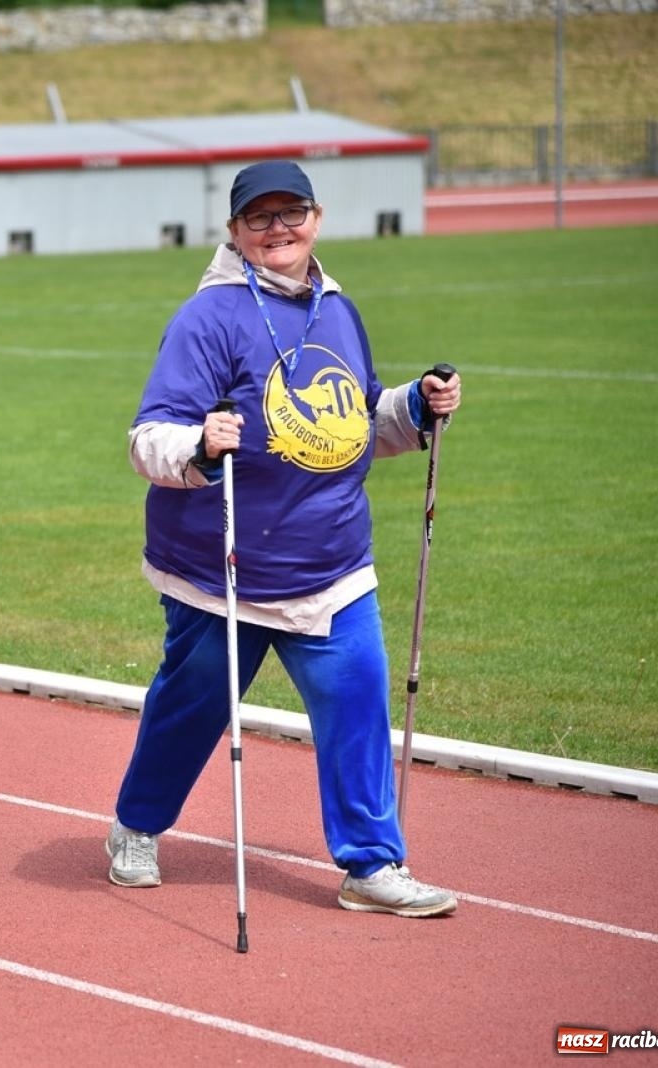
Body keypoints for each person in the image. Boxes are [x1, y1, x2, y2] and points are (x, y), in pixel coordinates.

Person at [107, 159, 462, 919]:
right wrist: (200, 444)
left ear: (317, 218)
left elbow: (355, 422)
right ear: (235, 232)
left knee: (359, 705)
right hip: (222, 566)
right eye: (260, 218)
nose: (279, 230)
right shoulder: (209, 317)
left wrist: (417, 407)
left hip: (332, 563)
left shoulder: (340, 310)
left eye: (291, 213)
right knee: (192, 706)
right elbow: (147, 439)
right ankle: (137, 827)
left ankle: (372, 863)